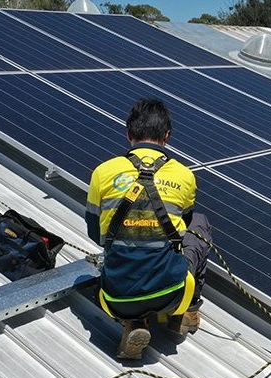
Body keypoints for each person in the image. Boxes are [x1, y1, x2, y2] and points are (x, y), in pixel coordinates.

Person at [85, 98, 212, 360]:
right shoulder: (184, 175)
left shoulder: (102, 172)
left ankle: (134, 322)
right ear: (167, 136)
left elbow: (95, 235)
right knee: (200, 224)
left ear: (128, 133)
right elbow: (183, 229)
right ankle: (185, 311)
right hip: (171, 293)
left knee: (126, 250)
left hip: (115, 297)